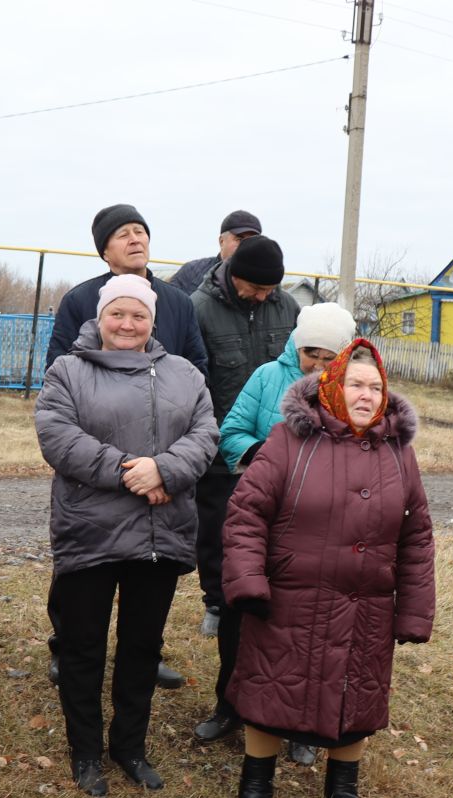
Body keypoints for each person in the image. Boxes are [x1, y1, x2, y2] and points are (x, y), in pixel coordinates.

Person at [223, 339, 435, 798]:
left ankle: (343, 791)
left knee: (356, 692)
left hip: (368, 603)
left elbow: (416, 534)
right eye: (355, 384)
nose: (366, 395)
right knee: (270, 689)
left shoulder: (399, 453)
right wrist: (248, 580)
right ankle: (256, 783)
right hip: (290, 596)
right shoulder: (288, 440)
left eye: (376, 387)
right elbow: (246, 513)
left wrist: (415, 609)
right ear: (330, 387)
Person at [35, 275, 218, 796]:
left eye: (138, 315)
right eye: (117, 313)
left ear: (152, 322)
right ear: (99, 317)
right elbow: (57, 434)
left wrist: (164, 470)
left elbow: (206, 433)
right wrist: (129, 472)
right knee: (83, 646)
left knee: (142, 646)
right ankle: (86, 751)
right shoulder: (68, 371)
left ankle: (129, 747)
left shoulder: (183, 374)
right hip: (90, 531)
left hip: (159, 534)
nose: (127, 324)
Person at [188, 236, 301, 750]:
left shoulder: (290, 309)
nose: (261, 296)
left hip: (294, 484)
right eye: (253, 287)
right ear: (232, 274)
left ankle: (290, 713)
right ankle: (229, 703)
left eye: (269, 289)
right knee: (233, 582)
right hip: (224, 465)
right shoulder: (200, 308)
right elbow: (191, 383)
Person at [45, 205, 208, 373]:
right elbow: (57, 372)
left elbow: (196, 369)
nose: (134, 240)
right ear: (105, 253)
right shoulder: (78, 301)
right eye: (123, 235)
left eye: (139, 232)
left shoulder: (179, 302)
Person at [218, 301, 355, 473]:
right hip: (268, 483)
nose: (318, 366)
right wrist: (265, 454)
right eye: (311, 355)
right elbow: (231, 435)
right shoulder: (266, 376)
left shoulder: (355, 387)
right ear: (298, 348)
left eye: (329, 358)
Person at [170, 209, 262, 297]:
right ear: (221, 241)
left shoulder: (266, 280)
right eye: (239, 239)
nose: (246, 245)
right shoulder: (191, 272)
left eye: (252, 240)